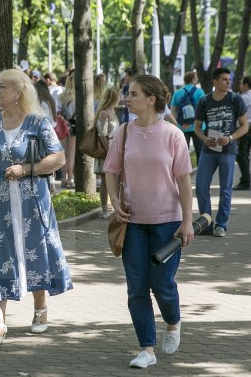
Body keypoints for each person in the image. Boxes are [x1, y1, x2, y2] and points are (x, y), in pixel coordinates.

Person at [0, 68, 72, 346]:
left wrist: (25, 169)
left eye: (3, 87)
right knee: (0, 253)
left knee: (36, 250)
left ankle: (40, 310)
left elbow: (58, 157)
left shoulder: (37, 122)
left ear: (19, 92)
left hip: (32, 200)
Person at [104, 74, 194, 368]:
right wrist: (115, 203)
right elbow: (111, 170)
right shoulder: (124, 132)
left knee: (163, 285)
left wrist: (188, 221)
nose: (127, 98)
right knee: (137, 287)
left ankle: (173, 321)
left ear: (151, 99)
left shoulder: (172, 135)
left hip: (168, 222)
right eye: (128, 93)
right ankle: (147, 348)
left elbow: (183, 181)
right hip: (133, 223)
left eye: (133, 94)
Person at [194, 68, 248, 236]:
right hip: (208, 149)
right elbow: (197, 127)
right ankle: (206, 222)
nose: (228, 82)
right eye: (224, 79)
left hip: (228, 150)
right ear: (215, 82)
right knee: (201, 186)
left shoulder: (235, 99)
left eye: (229, 79)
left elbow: (245, 126)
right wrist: (204, 139)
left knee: (226, 188)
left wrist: (230, 138)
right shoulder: (204, 101)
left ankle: (221, 224)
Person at [95, 87, 120, 218]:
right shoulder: (104, 113)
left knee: (116, 178)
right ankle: (104, 209)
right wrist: (109, 150)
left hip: (115, 147)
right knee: (105, 180)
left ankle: (115, 206)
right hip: (107, 149)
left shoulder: (113, 111)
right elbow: (101, 134)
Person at [170, 71, 206, 162]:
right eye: (196, 77)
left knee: (182, 152)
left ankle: (184, 173)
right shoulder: (199, 91)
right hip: (198, 126)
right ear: (193, 79)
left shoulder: (177, 93)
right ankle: (200, 172)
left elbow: (173, 110)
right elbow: (204, 108)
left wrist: (178, 123)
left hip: (182, 127)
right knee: (200, 151)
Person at [234, 76, 251, 191]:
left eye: (241, 84)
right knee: (245, 155)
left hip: (244, 128)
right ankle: (245, 180)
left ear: (246, 85)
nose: (240, 86)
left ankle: (246, 181)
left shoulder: (244, 97)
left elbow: (237, 113)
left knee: (241, 155)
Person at [58, 74, 76, 188]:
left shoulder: (61, 96)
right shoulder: (78, 97)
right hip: (74, 125)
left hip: (64, 125)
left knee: (63, 152)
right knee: (71, 153)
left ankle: (63, 178)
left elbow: (58, 111)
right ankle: (70, 178)